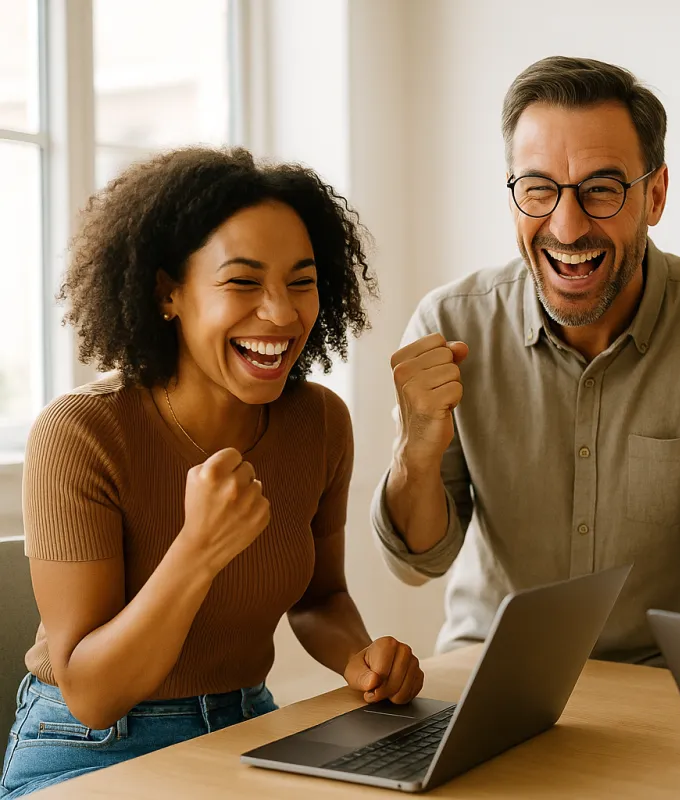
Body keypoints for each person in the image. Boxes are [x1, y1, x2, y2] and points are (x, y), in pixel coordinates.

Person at [1, 147, 424, 797]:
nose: (282, 314)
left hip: (245, 724)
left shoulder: (320, 422)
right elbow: (92, 693)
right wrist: (197, 551)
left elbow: (320, 599)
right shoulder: (82, 434)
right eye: (243, 282)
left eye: (302, 281)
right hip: (88, 749)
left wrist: (359, 657)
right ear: (169, 292)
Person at [373, 56, 680, 664]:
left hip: (678, 671)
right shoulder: (451, 325)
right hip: (496, 659)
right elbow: (418, 561)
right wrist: (415, 452)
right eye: (537, 190)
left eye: (601, 191)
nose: (566, 224)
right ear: (513, 196)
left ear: (656, 194)